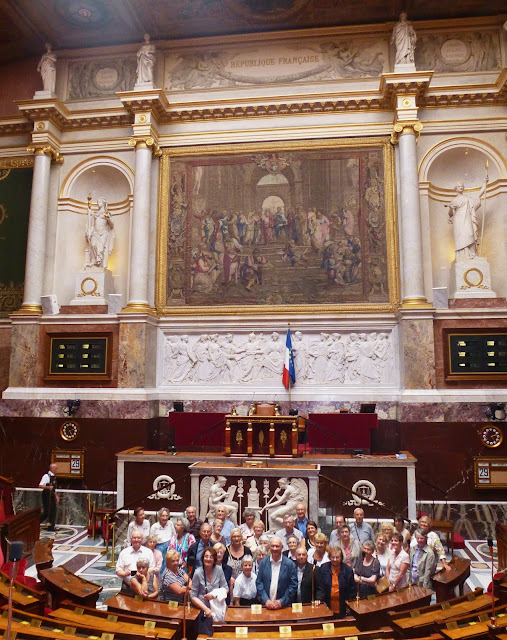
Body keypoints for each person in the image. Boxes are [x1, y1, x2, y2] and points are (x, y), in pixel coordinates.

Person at [445, 178, 488, 260]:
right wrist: (450, 208)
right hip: (458, 221)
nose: (461, 187)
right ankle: (462, 255)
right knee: (461, 237)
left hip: (467, 218)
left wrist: (485, 183)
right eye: (459, 186)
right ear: (456, 189)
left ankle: (473, 255)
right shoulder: (454, 200)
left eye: (462, 186)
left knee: (470, 234)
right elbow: (450, 214)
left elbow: (479, 194)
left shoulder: (468, 199)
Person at [256, 537, 297, 609]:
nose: (275, 548)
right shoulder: (263, 563)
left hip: (284, 607)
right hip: (266, 606)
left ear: (282, 547)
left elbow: (293, 585)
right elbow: (259, 583)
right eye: (273, 546)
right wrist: (266, 601)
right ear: (269, 547)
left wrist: (282, 601)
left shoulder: (290, 564)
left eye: (277, 546)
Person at [315, 546, 356, 618]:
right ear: (329, 557)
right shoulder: (323, 568)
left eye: (337, 557)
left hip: (342, 606)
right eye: (333, 557)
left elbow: (352, 589)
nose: (335, 559)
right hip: (327, 604)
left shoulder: (348, 570)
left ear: (341, 558)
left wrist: (350, 606)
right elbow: (320, 586)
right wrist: (319, 599)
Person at [190, 547, 229, 621]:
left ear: (214, 559)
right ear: (202, 558)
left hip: (217, 608)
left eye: (211, 557)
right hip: (202, 610)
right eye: (206, 556)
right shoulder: (198, 572)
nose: (208, 559)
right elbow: (193, 596)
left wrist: (213, 595)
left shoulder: (219, 570)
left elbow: (226, 588)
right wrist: (206, 609)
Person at [85, 197, 115, 269]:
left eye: (99, 202)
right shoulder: (95, 214)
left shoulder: (106, 213)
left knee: (100, 248)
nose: (98, 203)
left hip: (103, 233)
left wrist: (108, 218)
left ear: (103, 203)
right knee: (93, 244)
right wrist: (90, 232)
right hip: (95, 232)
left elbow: (111, 225)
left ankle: (99, 264)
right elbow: (92, 225)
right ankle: (94, 262)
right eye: (98, 202)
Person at [39, 463, 59, 531]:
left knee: (53, 510)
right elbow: (40, 485)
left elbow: (54, 488)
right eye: (56, 468)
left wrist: (56, 496)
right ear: (52, 469)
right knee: (47, 511)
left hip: (52, 495)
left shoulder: (54, 477)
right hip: (46, 495)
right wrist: (48, 487)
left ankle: (51, 526)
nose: (57, 470)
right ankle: (37, 523)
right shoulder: (46, 476)